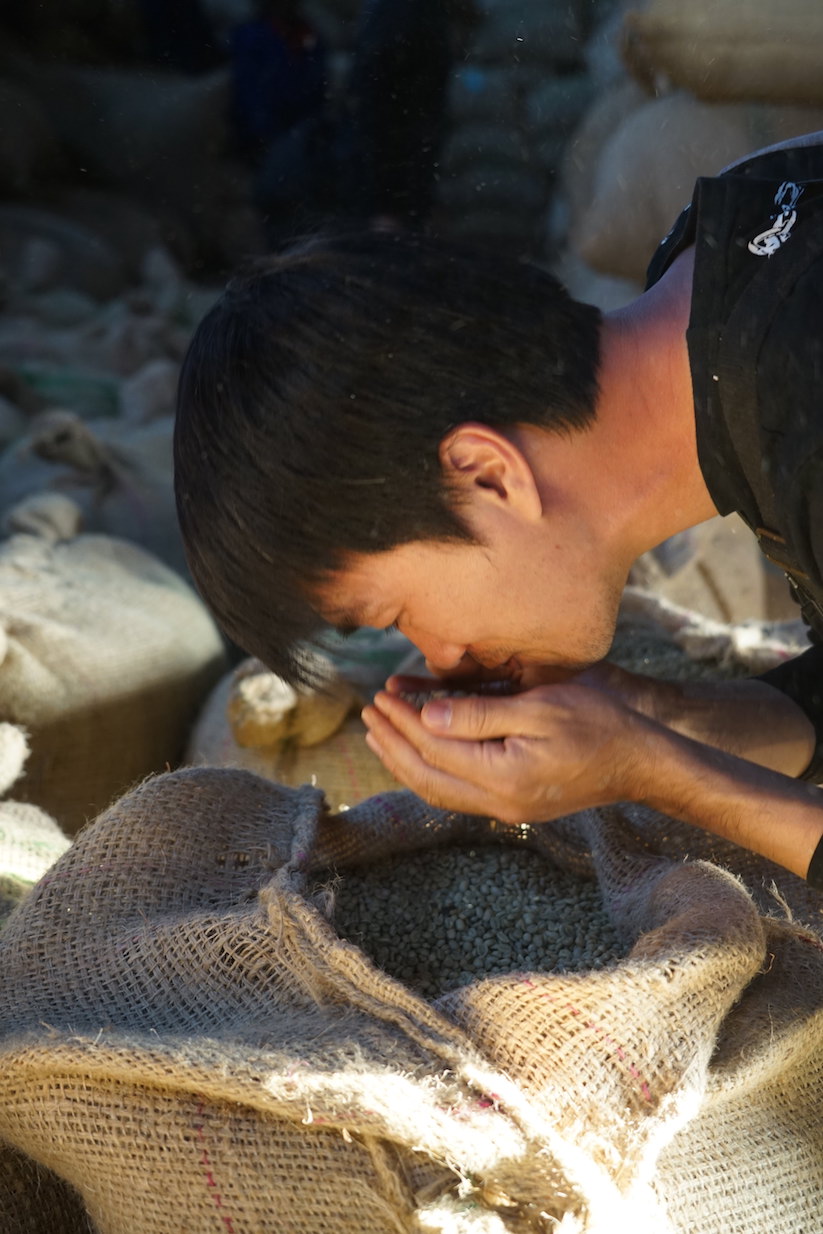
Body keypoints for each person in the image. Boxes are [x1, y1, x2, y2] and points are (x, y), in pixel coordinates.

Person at [174, 130, 823, 888]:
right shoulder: (723, 287)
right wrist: (654, 714)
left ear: (485, 474)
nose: (442, 659)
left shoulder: (800, 389)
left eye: (395, 615)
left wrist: (658, 773)